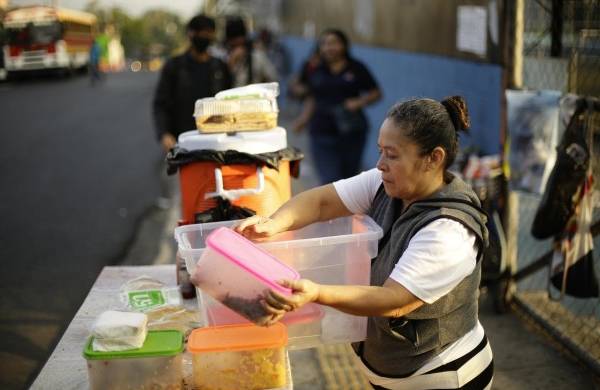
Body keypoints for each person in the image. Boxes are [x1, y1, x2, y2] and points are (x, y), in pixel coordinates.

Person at [234, 96, 494, 389]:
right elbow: (321, 202)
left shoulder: (449, 230)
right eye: (380, 151)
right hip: (391, 373)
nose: (380, 164)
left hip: (444, 376)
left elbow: (393, 301)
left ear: (434, 158)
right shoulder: (386, 185)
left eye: (392, 155)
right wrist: (272, 223)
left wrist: (316, 292)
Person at [299, 29, 381, 184]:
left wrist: (359, 102)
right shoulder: (316, 70)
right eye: (324, 44)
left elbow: (376, 93)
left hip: (351, 132)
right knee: (329, 180)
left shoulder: (356, 67)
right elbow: (311, 96)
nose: (329, 47)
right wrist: (303, 119)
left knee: (349, 180)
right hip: (321, 131)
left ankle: (346, 209)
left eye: (334, 43)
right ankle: (333, 207)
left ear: (344, 46)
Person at [153, 14, 232, 152]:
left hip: (216, 143)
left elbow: (230, 102)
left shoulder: (220, 67)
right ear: (190, 34)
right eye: (200, 33)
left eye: (208, 33)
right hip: (182, 143)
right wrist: (164, 134)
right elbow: (160, 103)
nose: (203, 37)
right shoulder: (174, 66)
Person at [223, 17, 278, 87]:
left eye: (240, 43)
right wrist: (231, 63)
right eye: (234, 44)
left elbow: (272, 78)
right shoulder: (222, 57)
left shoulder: (256, 56)